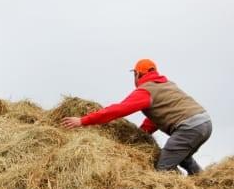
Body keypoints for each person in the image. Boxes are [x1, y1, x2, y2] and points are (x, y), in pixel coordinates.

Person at [61, 59, 212, 175]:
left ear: (138, 74)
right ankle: (203, 181)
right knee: (183, 157)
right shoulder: (166, 85)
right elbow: (156, 119)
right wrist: (140, 136)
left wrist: (82, 120)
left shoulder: (146, 90)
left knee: (163, 168)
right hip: (205, 122)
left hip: (189, 127)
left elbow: (119, 110)